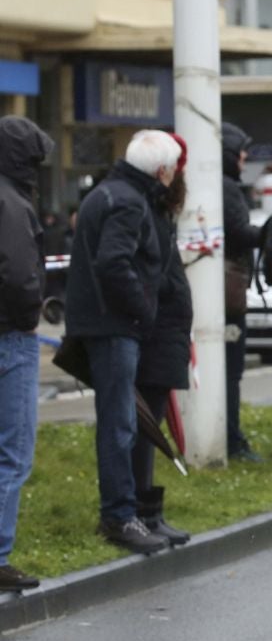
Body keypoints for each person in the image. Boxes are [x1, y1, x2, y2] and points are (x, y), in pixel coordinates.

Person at [65, 129, 180, 555]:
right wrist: (143, 311)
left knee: (121, 422)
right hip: (114, 327)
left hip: (103, 322)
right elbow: (114, 262)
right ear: (163, 171)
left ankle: (126, 511)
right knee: (119, 424)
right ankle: (119, 515)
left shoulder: (108, 192)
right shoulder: (130, 202)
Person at [131, 133, 193, 547]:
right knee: (144, 427)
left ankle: (149, 511)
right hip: (154, 333)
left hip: (163, 332)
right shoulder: (144, 209)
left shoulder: (157, 210)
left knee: (147, 426)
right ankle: (140, 510)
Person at [0, 115, 53, 594]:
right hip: (9, 335)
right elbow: (18, 275)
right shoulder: (13, 203)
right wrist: (28, 314)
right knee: (12, 453)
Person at [221, 122, 264, 462]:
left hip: (220, 295)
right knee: (231, 372)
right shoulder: (228, 189)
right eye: (241, 150)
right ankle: (232, 439)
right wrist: (267, 233)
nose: (245, 157)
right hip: (227, 299)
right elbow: (239, 232)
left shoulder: (211, 184)